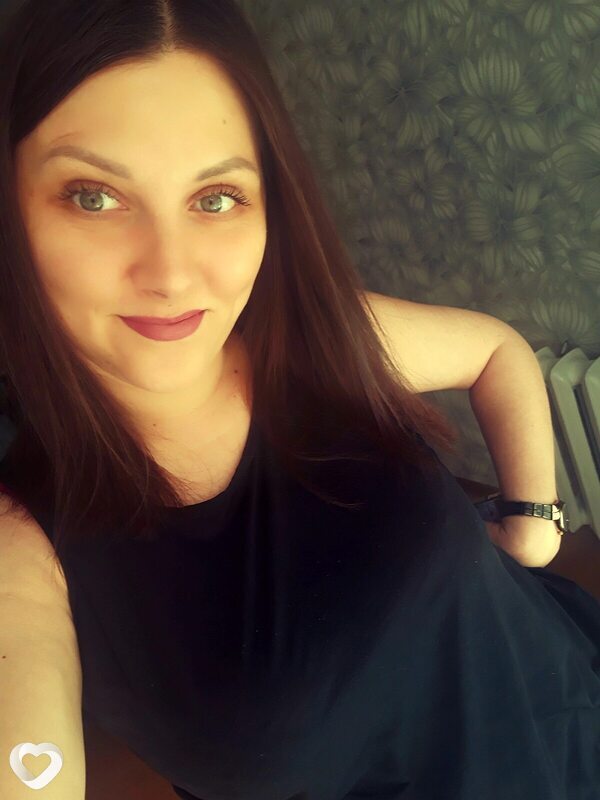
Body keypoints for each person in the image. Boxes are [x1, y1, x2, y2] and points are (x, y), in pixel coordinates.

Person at [0, 2, 598, 799]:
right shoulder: (21, 536)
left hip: (569, 708)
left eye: (216, 198)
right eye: (92, 196)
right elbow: (26, 756)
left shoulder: (313, 344)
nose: (171, 273)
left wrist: (535, 524)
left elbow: (496, 351)